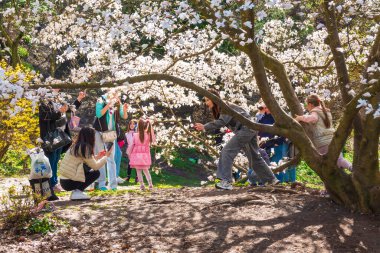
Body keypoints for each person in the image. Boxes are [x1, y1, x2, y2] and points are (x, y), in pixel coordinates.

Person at [194, 89, 279, 190]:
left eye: (208, 100)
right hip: (250, 128)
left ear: (214, 98)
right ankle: (271, 180)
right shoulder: (222, 107)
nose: (206, 103)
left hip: (246, 129)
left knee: (226, 151)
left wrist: (204, 126)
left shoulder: (225, 106)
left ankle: (225, 182)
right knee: (254, 157)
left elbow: (221, 122)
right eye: (205, 100)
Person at [38, 90, 86, 195]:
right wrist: (59, 111)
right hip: (50, 137)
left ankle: (54, 183)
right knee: (50, 160)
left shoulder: (60, 100)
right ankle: (50, 185)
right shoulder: (45, 101)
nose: (58, 89)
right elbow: (45, 117)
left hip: (61, 136)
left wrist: (78, 99)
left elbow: (69, 112)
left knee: (55, 160)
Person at [295, 94, 352, 170]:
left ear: (310, 104)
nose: (306, 107)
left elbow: (311, 118)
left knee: (333, 161)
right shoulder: (326, 112)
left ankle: (351, 167)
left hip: (322, 142)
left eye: (306, 105)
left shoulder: (315, 112)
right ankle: (347, 169)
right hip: (332, 139)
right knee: (337, 159)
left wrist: (300, 118)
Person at [59, 127, 112, 200]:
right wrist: (106, 157)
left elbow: (87, 160)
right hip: (69, 182)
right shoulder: (85, 147)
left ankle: (77, 192)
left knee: (89, 168)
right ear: (90, 136)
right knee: (96, 173)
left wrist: (98, 157)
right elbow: (95, 166)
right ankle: (77, 191)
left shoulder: (77, 145)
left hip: (64, 181)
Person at [93, 92, 128, 191]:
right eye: (115, 92)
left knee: (111, 158)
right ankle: (101, 184)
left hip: (111, 134)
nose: (116, 95)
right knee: (101, 157)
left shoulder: (117, 102)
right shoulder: (101, 99)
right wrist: (108, 104)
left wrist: (124, 110)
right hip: (100, 131)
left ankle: (113, 185)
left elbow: (124, 116)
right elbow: (98, 114)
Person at [127, 118, 155, 191]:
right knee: (146, 170)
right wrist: (150, 126)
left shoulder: (135, 135)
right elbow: (153, 139)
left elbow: (131, 145)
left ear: (138, 126)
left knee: (138, 171)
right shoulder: (148, 135)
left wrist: (129, 153)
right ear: (146, 126)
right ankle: (150, 184)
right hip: (145, 155)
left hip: (136, 155)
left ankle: (142, 185)